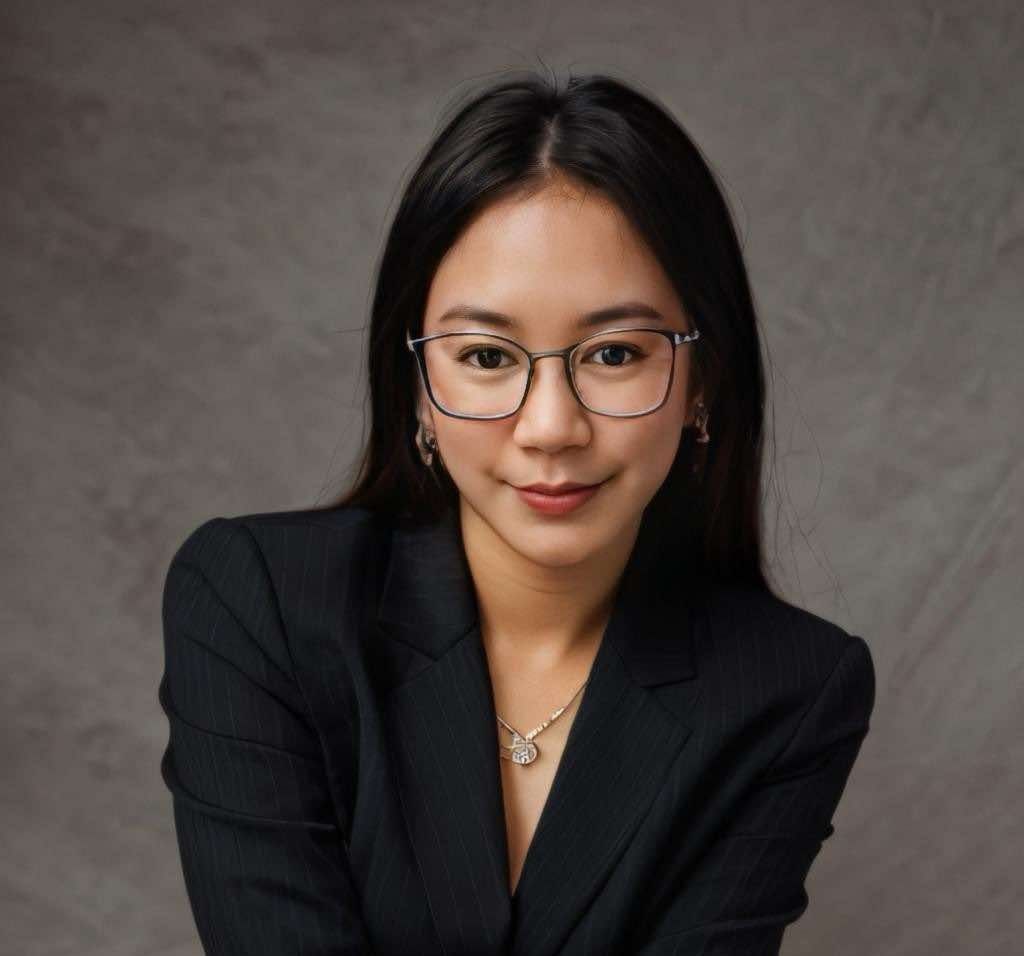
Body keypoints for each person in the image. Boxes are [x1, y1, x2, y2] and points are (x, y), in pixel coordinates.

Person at [157, 68, 876, 956]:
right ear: (417, 386)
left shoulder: (789, 690)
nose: (550, 428)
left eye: (614, 352)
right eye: (488, 357)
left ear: (703, 383)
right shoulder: (258, 605)